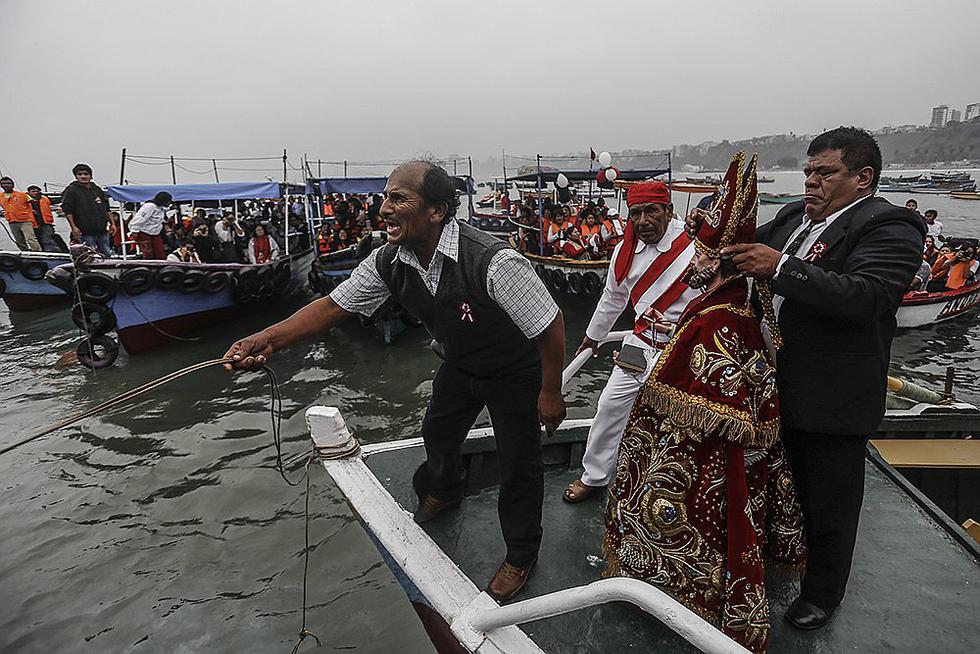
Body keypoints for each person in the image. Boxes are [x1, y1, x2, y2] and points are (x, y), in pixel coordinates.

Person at [224, 161, 566, 602]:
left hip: (514, 372)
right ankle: (445, 490)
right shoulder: (390, 260)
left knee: (519, 464)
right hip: (460, 363)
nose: (383, 208)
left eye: (398, 199)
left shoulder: (494, 261)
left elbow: (549, 325)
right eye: (385, 197)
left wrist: (550, 392)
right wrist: (266, 340)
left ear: (436, 211)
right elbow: (332, 308)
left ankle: (521, 554)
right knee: (437, 432)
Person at [688, 127, 924, 630]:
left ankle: (822, 592)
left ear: (863, 178)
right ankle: (774, 560)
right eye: (808, 172)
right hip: (767, 389)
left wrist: (781, 267)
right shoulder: (794, 216)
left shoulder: (891, 225)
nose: (811, 182)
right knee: (772, 486)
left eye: (825, 173)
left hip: (831, 397)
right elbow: (742, 250)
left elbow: (866, 296)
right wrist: (715, 252)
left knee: (829, 501)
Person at [605, 152, 805, 653]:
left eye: (699, 254)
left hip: (705, 451)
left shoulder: (720, 315)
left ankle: (692, 591)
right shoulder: (732, 299)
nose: (691, 261)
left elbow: (699, 389)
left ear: (715, 260)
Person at [563, 180, 699, 503]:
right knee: (609, 405)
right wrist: (592, 337)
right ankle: (594, 476)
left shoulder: (695, 246)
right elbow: (613, 298)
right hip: (641, 343)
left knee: (684, 419)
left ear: (669, 210)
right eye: (635, 214)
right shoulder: (624, 251)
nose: (643, 221)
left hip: (684, 345)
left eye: (651, 211)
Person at [61, 163, 113, 256]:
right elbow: (67, 210)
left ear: (91, 176)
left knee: (107, 254)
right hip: (84, 232)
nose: (83, 176)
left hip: (102, 231)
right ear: (76, 176)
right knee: (89, 256)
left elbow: (107, 209)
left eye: (86, 174)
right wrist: (73, 227)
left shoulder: (98, 190)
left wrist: (112, 224)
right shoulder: (71, 190)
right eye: (80, 174)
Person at [128, 191, 173, 260]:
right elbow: (138, 219)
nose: (169, 203)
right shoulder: (149, 207)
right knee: (148, 254)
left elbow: (165, 210)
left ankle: (161, 265)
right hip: (143, 232)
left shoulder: (161, 208)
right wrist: (134, 231)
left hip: (155, 234)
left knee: (160, 253)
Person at [0, 177, 41, 251]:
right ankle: (24, 252)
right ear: (1, 185)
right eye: (4, 183)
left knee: (30, 238)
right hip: (12, 221)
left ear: (13, 185)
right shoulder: (1, 196)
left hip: (25, 221)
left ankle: (38, 252)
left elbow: (34, 202)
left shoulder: (22, 195)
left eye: (8, 183)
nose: (6, 185)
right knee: (19, 240)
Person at [26, 185, 59, 252]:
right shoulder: (24, 200)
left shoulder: (45, 199)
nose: (35, 193)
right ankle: (39, 252)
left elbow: (57, 200)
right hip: (32, 225)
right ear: (29, 192)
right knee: (35, 240)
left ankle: (51, 252)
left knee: (47, 240)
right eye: (33, 191)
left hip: (45, 223)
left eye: (37, 191)